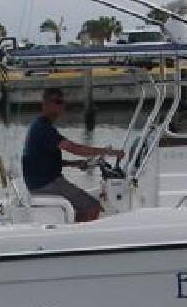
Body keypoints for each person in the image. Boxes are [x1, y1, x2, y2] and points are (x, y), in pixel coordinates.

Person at [22, 88, 124, 222]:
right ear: (46, 104)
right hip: (46, 184)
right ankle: (76, 237)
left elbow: (43, 159)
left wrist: (75, 164)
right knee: (93, 207)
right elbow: (74, 148)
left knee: (83, 206)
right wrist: (109, 152)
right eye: (57, 101)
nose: (62, 105)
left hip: (40, 183)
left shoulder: (40, 125)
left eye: (62, 102)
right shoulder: (43, 128)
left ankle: (73, 231)